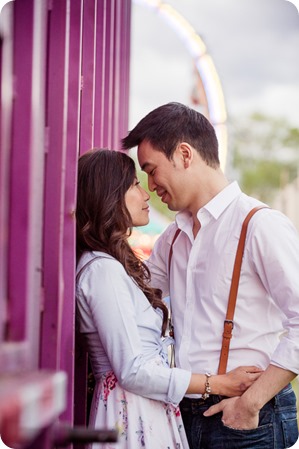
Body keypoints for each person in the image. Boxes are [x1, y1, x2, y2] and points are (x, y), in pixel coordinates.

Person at [122, 102, 299, 449]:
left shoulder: (259, 224)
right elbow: (132, 297)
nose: (150, 184)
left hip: (249, 418)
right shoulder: (173, 238)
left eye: (152, 169)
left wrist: (251, 404)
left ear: (185, 155)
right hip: (187, 413)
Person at [75, 148, 262, 449]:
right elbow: (133, 370)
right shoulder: (103, 272)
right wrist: (218, 382)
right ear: (108, 196)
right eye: (135, 184)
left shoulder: (112, 267)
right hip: (131, 415)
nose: (147, 192)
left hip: (143, 410)